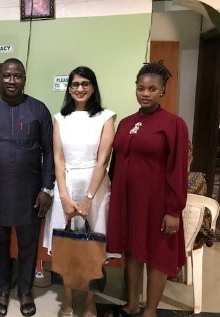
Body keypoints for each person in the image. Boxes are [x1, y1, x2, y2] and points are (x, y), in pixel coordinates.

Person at [0, 58, 55, 317]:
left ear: (24, 79)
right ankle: (2, 290)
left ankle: (26, 291)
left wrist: (46, 188)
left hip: (30, 192)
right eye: (6, 76)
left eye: (17, 76)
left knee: (29, 244)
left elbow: (50, 151)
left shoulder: (39, 110)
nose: (11, 81)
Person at [106, 61, 188, 317]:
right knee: (132, 251)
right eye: (141, 88)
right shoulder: (127, 122)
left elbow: (178, 169)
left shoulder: (174, 124)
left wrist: (174, 210)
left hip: (158, 204)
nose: (145, 93)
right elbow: (115, 162)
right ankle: (132, 304)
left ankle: (150, 311)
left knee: (157, 255)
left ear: (162, 90)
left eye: (152, 89)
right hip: (129, 201)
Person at [42, 66, 116, 317]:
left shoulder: (106, 117)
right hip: (66, 184)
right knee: (66, 245)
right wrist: (63, 196)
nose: (80, 88)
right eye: (75, 84)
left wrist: (88, 198)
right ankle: (69, 298)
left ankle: (91, 299)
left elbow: (102, 160)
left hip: (95, 187)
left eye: (85, 83)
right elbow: (58, 159)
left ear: (93, 87)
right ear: (69, 88)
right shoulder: (60, 118)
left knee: (94, 245)